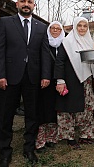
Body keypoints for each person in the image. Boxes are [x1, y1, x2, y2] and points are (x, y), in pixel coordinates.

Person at [0, 0, 51, 166]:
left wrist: (45, 75)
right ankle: (4, 151)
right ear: (17, 3)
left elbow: (45, 54)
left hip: (32, 77)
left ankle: (29, 148)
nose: (26, 4)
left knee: (32, 115)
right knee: (5, 115)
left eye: (30, 2)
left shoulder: (41, 27)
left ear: (34, 5)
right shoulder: (5, 23)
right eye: (23, 1)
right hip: (9, 77)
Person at [54, 17, 94, 150]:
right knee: (69, 109)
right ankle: (70, 138)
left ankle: (86, 135)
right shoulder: (66, 42)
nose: (82, 28)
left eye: (85, 26)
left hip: (86, 81)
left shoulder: (90, 42)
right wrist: (60, 80)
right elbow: (59, 62)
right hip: (71, 80)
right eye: (80, 25)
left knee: (88, 109)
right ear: (74, 27)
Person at [35, 21, 65, 152]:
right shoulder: (43, 42)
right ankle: (41, 139)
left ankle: (52, 138)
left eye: (58, 29)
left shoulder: (64, 43)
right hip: (44, 80)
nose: (55, 30)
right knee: (42, 109)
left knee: (54, 109)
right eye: (53, 28)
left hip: (58, 81)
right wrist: (44, 76)